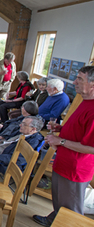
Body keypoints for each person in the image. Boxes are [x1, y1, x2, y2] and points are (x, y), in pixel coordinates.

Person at [33, 66, 94, 226]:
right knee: (60, 200)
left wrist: (61, 141)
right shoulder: (85, 101)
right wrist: (62, 130)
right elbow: (81, 130)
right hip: (64, 162)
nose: (75, 82)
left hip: (75, 169)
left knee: (71, 211)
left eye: (80, 79)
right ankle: (53, 220)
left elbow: (92, 148)